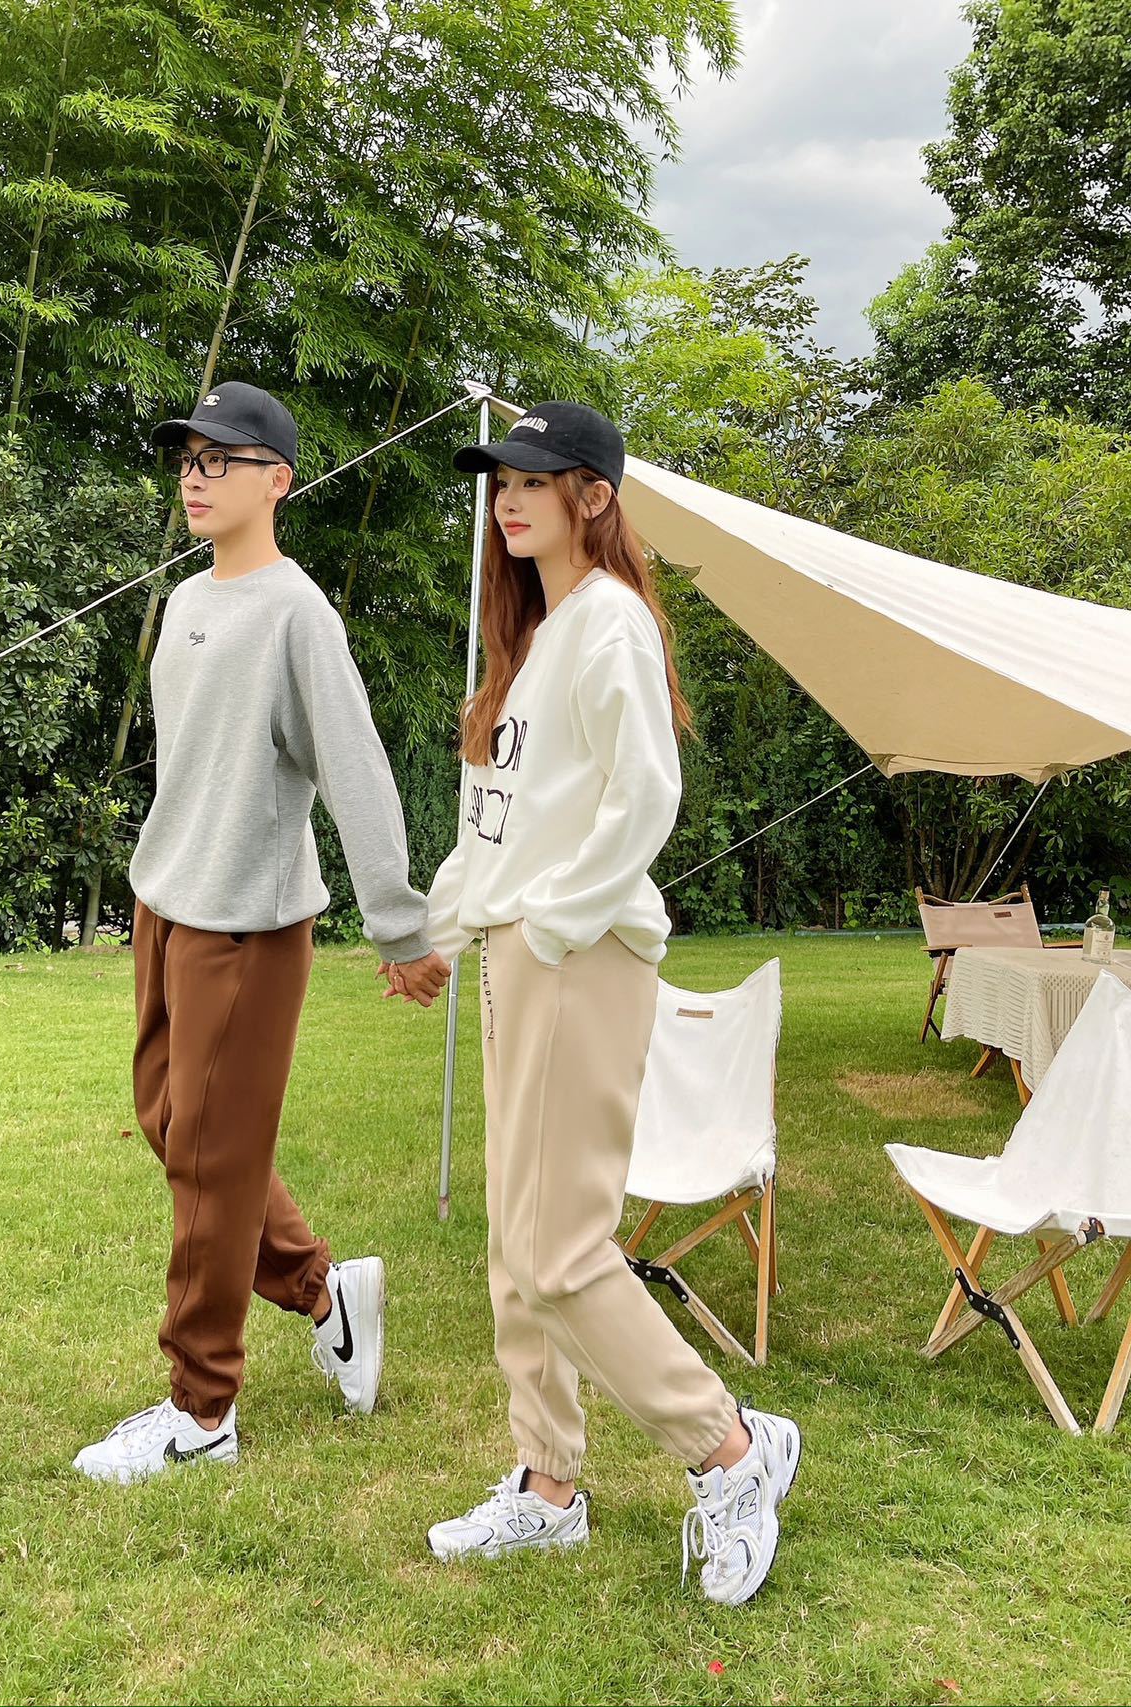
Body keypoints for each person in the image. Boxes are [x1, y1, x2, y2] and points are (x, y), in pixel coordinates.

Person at [412, 401, 800, 1604]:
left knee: (559, 1245)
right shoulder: (536, 638)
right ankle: (546, 1486)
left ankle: (728, 1449)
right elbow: (496, 824)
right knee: (511, 1240)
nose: (506, 499)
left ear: (592, 495)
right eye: (499, 482)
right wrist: (441, 928)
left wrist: (553, 923)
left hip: (577, 955)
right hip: (522, 949)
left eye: (532, 480)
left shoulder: (611, 621)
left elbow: (645, 794)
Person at [73, 381, 450, 1483]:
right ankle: (326, 1293)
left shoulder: (299, 614)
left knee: (209, 1159)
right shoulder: (190, 601)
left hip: (247, 926)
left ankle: (202, 1411)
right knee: (171, 1124)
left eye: (220, 460)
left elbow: (356, 770)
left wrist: (399, 929)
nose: (195, 477)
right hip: (167, 902)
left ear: (277, 479)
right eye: (187, 459)